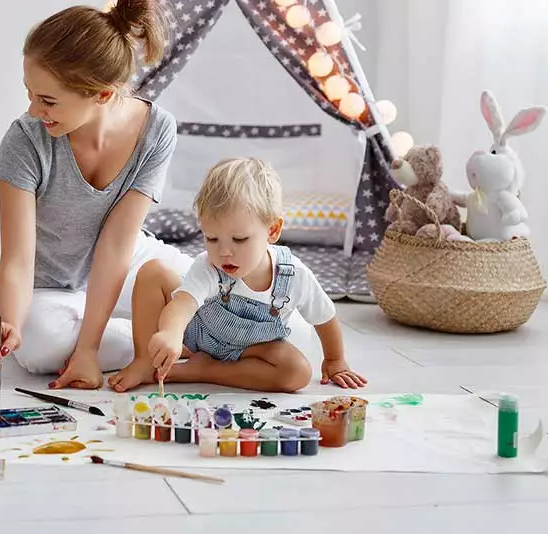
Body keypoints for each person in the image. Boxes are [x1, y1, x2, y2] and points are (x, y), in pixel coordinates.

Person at [0, 0, 193, 390]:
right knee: (40, 348)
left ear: (103, 94)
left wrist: (90, 349)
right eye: (30, 94)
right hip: (47, 280)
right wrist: (6, 322)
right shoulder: (26, 138)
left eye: (48, 100)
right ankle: (163, 343)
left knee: (219, 302)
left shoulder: (157, 129)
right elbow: (18, 261)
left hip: (125, 260)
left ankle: (135, 336)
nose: (33, 110)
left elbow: (116, 245)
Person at [108, 157, 367, 393]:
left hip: (250, 352)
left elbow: (325, 317)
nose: (224, 252)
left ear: (273, 230)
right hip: (200, 333)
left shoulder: (294, 275)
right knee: (154, 272)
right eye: (211, 238)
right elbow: (183, 304)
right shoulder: (208, 266)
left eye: (240, 239)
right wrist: (171, 333)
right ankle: (144, 362)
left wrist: (334, 360)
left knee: (297, 372)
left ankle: (202, 370)